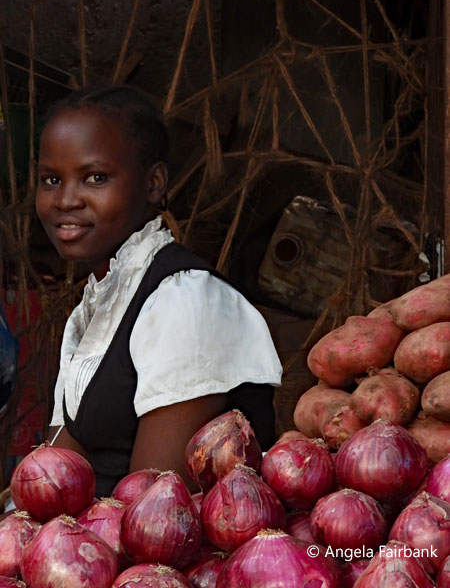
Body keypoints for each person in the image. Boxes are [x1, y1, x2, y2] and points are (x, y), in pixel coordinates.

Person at [35, 85, 282, 497]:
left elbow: (155, 507)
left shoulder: (183, 301)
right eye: (51, 180)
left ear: (153, 184)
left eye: (95, 178)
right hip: (93, 548)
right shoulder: (99, 304)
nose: (66, 200)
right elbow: (56, 472)